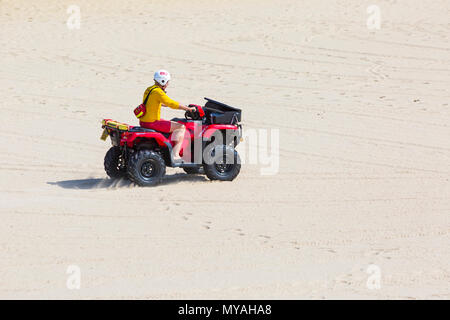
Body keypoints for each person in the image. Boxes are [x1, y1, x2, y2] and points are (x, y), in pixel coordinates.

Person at [139, 70, 195, 161]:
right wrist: (187, 109)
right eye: (168, 81)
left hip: (144, 122)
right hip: (153, 123)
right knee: (181, 127)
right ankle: (175, 155)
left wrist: (163, 104)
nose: (168, 84)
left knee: (170, 122)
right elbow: (171, 103)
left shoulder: (149, 89)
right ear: (163, 82)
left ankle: (170, 144)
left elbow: (152, 102)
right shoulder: (158, 92)